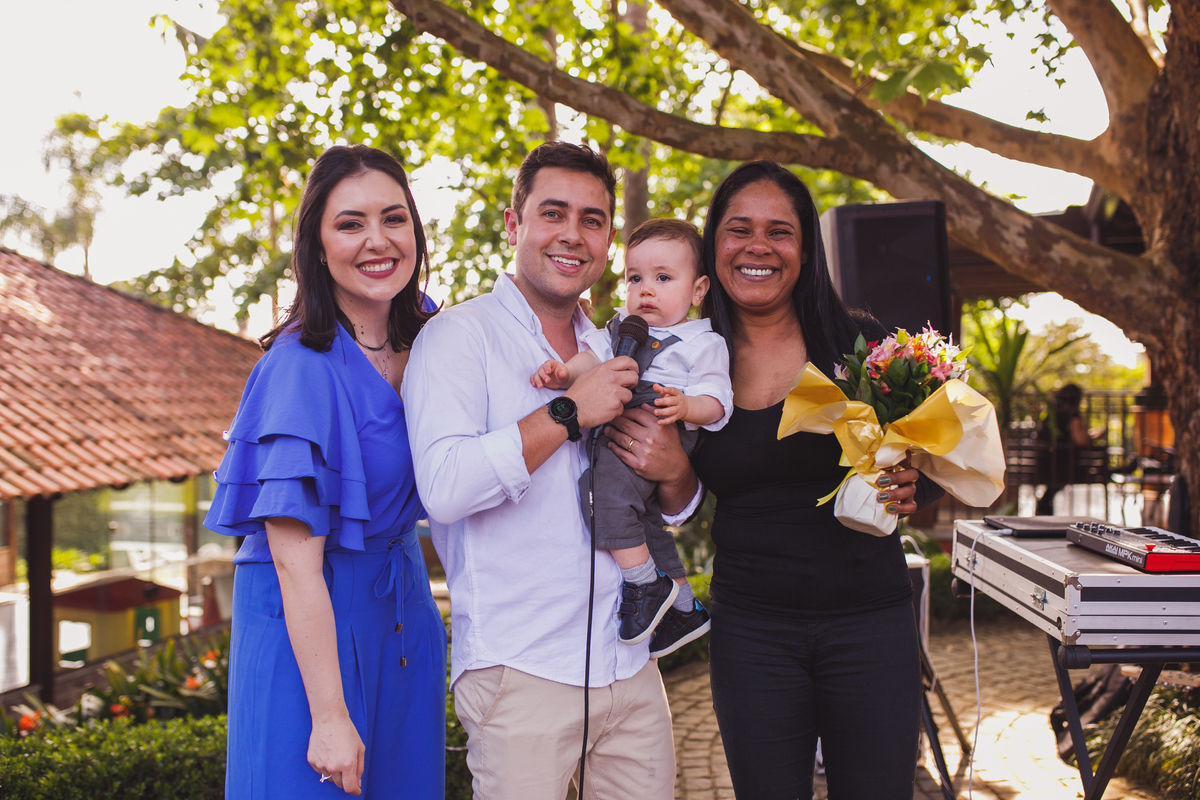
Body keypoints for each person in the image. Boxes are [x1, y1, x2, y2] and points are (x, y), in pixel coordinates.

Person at [604, 160, 944, 799]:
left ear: (806, 249)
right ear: (713, 252)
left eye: (779, 231)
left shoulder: (859, 345)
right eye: (738, 230)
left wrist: (916, 485)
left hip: (869, 621)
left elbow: (935, 457)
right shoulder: (684, 357)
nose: (758, 246)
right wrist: (675, 470)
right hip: (752, 630)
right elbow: (669, 506)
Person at [403, 142, 681, 800]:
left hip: (630, 664)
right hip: (520, 674)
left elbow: (668, 504)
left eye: (592, 219)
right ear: (513, 224)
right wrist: (566, 412)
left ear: (609, 237)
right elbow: (442, 489)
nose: (572, 234)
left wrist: (673, 472)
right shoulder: (457, 337)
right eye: (553, 212)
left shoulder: (619, 345)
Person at [204, 145, 446, 799]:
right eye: (350, 223)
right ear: (316, 242)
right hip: (306, 624)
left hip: (401, 613)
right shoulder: (297, 368)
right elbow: (294, 565)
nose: (378, 241)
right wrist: (330, 715)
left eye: (394, 219)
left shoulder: (432, 333)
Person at [529, 218, 730, 654]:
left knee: (600, 495)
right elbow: (592, 363)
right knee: (642, 520)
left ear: (697, 291)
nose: (646, 290)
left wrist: (685, 406)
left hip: (661, 426)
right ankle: (684, 605)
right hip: (621, 434)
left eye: (662, 278)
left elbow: (718, 401)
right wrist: (564, 372)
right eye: (635, 278)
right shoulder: (624, 329)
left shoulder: (703, 342)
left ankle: (643, 586)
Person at [1035, 383, 1103, 515]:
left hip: (1045, 465)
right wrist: (1094, 437)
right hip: (1064, 467)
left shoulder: (1051, 413)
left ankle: (1044, 505)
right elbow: (1081, 440)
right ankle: (1044, 505)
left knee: (1054, 485)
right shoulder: (1071, 414)